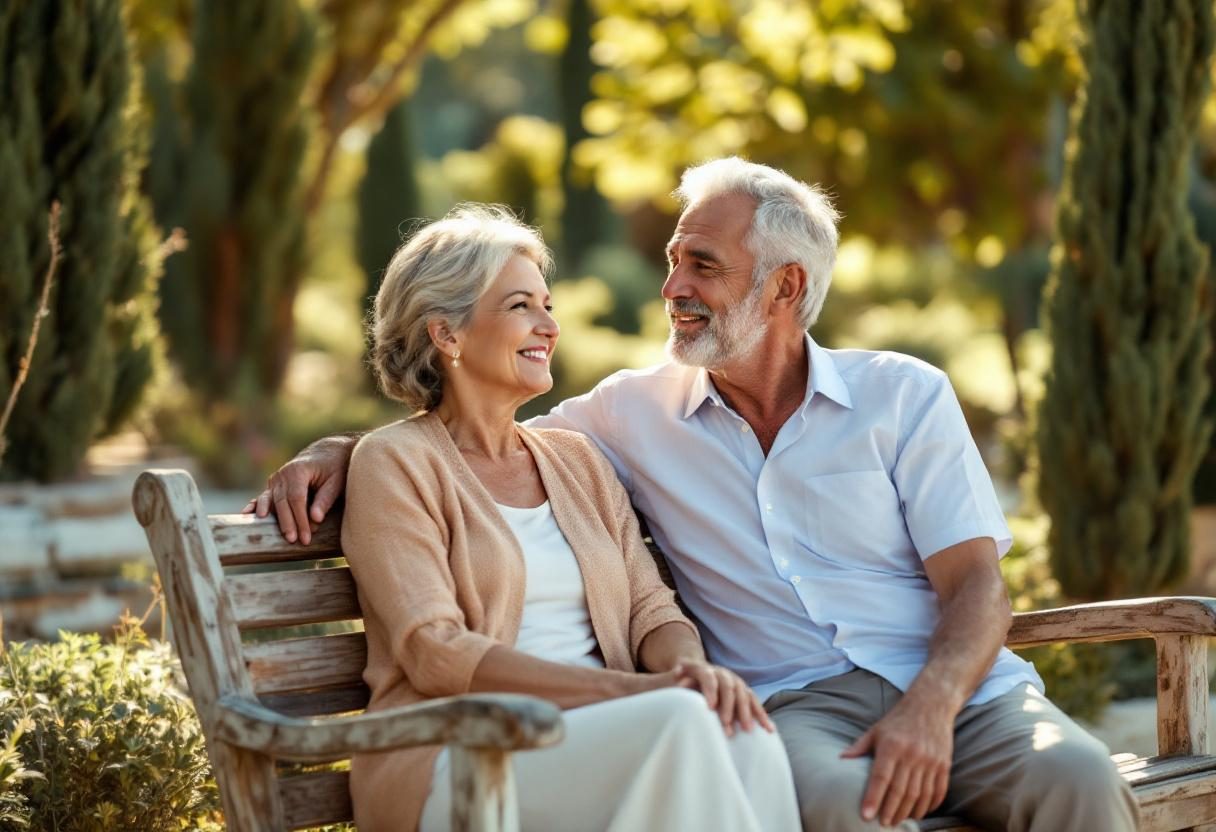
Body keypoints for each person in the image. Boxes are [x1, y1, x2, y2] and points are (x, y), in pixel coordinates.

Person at [250, 159, 1139, 831]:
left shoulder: (899, 395)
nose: (671, 287)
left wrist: (929, 709)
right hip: (762, 710)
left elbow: (976, 585)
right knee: (810, 785)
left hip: (954, 691)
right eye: (673, 261)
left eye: (702, 266)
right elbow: (446, 454)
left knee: (1085, 778)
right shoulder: (625, 418)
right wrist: (347, 448)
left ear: (785, 286)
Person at [336, 204, 799, 832]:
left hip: (603, 736)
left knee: (744, 730)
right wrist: (635, 695)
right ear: (447, 334)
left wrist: (692, 672)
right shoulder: (395, 463)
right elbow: (433, 652)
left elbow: (650, 611)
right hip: (462, 754)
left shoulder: (574, 459)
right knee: (683, 723)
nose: (548, 325)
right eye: (521, 305)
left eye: (547, 305)